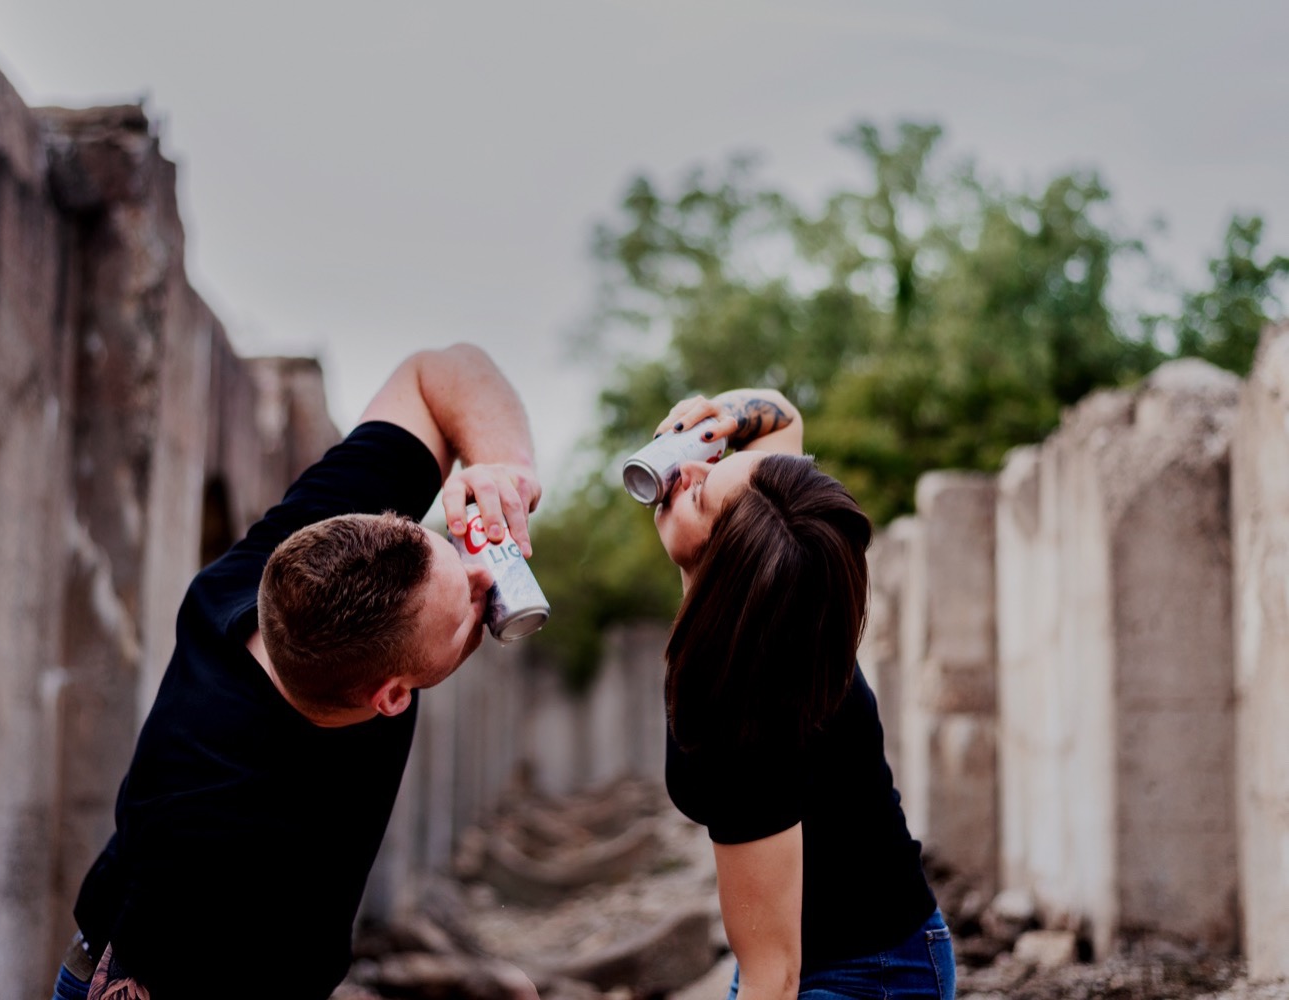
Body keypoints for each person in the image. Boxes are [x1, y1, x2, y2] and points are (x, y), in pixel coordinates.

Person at [51, 344, 542, 1000]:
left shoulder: (312, 558)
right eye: (463, 610)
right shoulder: (209, 832)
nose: (485, 577)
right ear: (390, 696)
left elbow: (440, 371)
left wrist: (500, 467)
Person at [647, 389, 954, 1000]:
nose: (688, 471)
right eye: (711, 462)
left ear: (730, 567)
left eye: (701, 491)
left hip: (865, 974)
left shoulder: (740, 720)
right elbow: (783, 417)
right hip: (831, 949)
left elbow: (774, 978)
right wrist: (723, 420)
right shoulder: (787, 581)